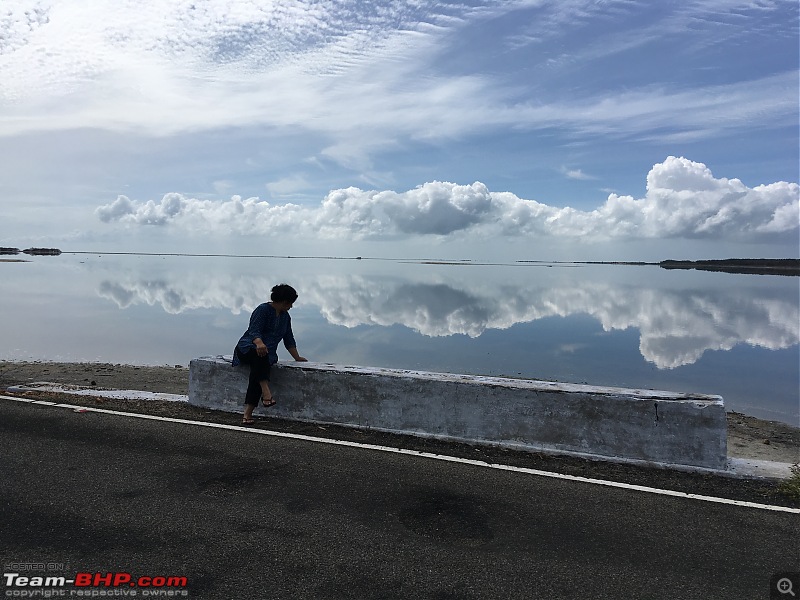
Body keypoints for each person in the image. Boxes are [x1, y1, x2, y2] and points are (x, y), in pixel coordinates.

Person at [232, 284, 307, 424]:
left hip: (266, 355)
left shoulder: (286, 317)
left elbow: (288, 338)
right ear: (284, 301)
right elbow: (254, 330)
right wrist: (259, 343)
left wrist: (297, 357)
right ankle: (266, 394)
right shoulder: (262, 310)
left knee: (259, 366)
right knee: (260, 356)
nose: (291, 306)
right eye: (290, 303)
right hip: (247, 349)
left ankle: (248, 414)